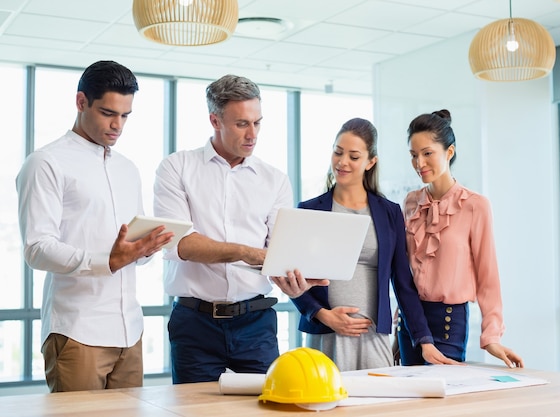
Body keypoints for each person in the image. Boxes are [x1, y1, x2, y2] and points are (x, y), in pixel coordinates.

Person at [153, 74, 326, 384]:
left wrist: (295, 280)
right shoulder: (176, 168)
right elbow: (180, 245)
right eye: (242, 124)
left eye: (257, 123)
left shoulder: (274, 180)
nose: (252, 134)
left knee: (267, 406)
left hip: (256, 323)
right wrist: (248, 253)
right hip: (195, 324)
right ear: (214, 120)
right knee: (196, 411)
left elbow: (280, 253)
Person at [15, 60, 174, 392]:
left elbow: (131, 246)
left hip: (130, 330)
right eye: (108, 113)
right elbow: (37, 248)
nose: (118, 125)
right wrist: (108, 260)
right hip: (77, 331)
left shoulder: (128, 169)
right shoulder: (45, 163)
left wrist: (145, 248)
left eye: (125, 116)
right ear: (81, 102)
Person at [290, 118, 459, 371]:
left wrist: (424, 340)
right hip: (324, 335)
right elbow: (292, 278)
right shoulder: (309, 210)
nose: (342, 162)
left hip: (373, 337)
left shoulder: (389, 212)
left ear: (370, 162)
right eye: (338, 152)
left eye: (354, 156)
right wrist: (322, 314)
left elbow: (403, 283)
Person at [397, 109, 524, 368]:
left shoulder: (475, 206)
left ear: (450, 152)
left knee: (442, 403)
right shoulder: (411, 203)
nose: (419, 163)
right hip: (410, 324)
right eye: (413, 155)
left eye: (427, 153)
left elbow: (488, 277)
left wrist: (492, 336)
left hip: (448, 323)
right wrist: (401, 325)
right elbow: (404, 275)